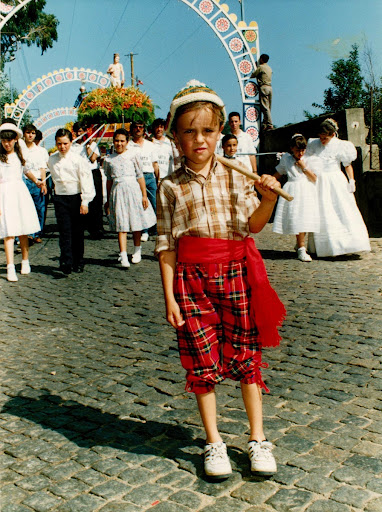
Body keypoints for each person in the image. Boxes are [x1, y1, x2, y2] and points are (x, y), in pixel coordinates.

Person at [156, 79, 285, 480]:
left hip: (236, 274)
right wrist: (169, 298)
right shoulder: (169, 186)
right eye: (189, 131)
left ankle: (257, 438)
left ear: (219, 134)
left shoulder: (236, 175)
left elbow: (254, 225)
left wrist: (267, 198)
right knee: (202, 361)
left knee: (246, 357)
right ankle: (214, 442)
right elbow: (165, 246)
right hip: (191, 281)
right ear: (175, 137)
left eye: (207, 131)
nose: (199, 139)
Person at [305, 118, 371, 257]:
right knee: (323, 211)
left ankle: (347, 244)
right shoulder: (313, 144)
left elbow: (347, 165)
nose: (322, 140)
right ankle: (326, 246)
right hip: (319, 181)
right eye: (321, 137)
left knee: (342, 209)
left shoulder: (341, 145)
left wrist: (351, 180)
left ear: (333, 134)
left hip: (335, 180)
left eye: (326, 138)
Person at [104, 128, 156, 267]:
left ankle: (137, 251)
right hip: (118, 192)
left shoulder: (133, 156)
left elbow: (140, 176)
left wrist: (144, 195)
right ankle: (123, 254)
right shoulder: (109, 160)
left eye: (122, 141)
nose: (119, 143)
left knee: (136, 222)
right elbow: (109, 180)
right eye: (116, 141)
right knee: (122, 224)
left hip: (133, 191)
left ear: (127, 142)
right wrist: (108, 200)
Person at [48, 129, 95, 274]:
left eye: (65, 144)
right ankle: (66, 261)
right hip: (61, 198)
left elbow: (86, 180)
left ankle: (78, 261)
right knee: (64, 231)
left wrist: (85, 201)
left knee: (77, 231)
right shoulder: (52, 159)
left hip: (76, 197)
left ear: (71, 142)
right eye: (59, 144)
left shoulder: (78, 160)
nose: (62, 147)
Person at [0, 123, 41, 282]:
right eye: (4, 140)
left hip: (19, 192)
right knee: (8, 232)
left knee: (23, 229)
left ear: (15, 140)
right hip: (4, 194)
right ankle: (10, 267)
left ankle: (25, 260)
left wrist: (37, 181)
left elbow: (26, 170)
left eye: (9, 140)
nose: (7, 143)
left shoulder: (19, 155)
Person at [272, 134, 320, 262]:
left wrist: (303, 166)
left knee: (305, 219)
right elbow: (278, 173)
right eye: (298, 150)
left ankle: (301, 245)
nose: (301, 153)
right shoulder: (286, 159)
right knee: (298, 218)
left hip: (306, 189)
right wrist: (268, 180)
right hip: (292, 190)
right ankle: (301, 248)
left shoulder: (308, 159)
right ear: (292, 148)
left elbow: (314, 178)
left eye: (303, 150)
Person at [128, 120, 159, 241]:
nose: (138, 129)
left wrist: (158, 179)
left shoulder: (150, 145)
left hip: (149, 175)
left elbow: (155, 164)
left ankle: (156, 229)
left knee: (154, 203)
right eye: (135, 127)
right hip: (135, 177)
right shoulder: (128, 145)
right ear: (132, 130)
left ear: (144, 129)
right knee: (142, 204)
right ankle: (144, 230)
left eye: (140, 127)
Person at [72, 123, 104, 239]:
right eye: (78, 131)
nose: (80, 134)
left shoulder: (93, 144)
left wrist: (88, 144)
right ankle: (83, 225)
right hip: (80, 174)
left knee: (96, 201)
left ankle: (97, 227)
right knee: (82, 200)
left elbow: (92, 158)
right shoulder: (73, 146)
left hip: (92, 172)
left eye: (82, 131)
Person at [21, 124, 48, 243]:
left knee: (39, 208)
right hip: (24, 181)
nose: (30, 135)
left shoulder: (40, 151)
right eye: (28, 132)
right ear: (24, 134)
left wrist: (44, 183)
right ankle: (24, 235)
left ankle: (37, 234)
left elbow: (43, 168)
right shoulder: (20, 149)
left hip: (38, 181)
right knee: (25, 209)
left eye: (32, 133)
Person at [250, 54, 273, 131]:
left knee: (265, 107)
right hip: (270, 87)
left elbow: (253, 75)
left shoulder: (261, 67)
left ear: (262, 59)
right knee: (268, 107)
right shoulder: (269, 68)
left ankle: (269, 124)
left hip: (263, 87)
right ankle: (265, 123)